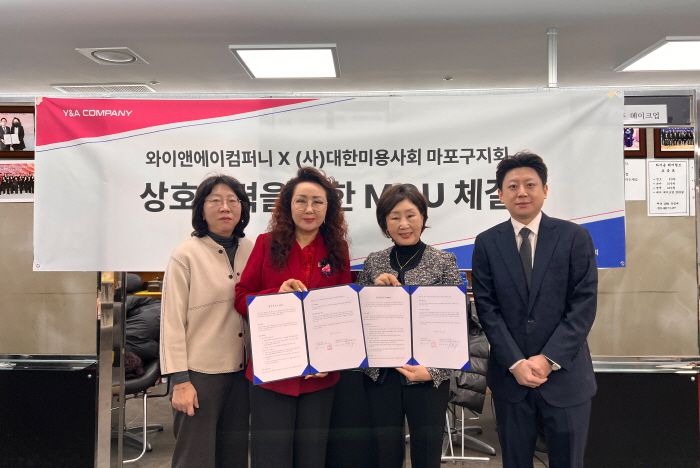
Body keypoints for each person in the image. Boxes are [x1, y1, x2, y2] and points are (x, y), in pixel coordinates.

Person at [471, 152, 598, 468]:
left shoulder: (574, 237)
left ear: (545, 190)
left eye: (530, 184)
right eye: (512, 186)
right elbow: (487, 308)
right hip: (511, 379)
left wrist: (547, 359)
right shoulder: (487, 243)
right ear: (500, 194)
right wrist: (516, 362)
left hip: (566, 376)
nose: (522, 192)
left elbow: (583, 305)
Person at [235, 166, 352, 468]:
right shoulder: (266, 243)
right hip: (273, 373)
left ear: (328, 208)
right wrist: (275, 294)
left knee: (312, 457)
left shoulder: (337, 249)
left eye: (317, 201)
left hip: (319, 376)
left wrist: (331, 359)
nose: (309, 209)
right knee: (270, 458)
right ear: (288, 205)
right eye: (301, 201)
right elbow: (241, 297)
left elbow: (344, 312)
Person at [356, 183, 462, 468]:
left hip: (427, 378)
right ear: (385, 223)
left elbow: (457, 327)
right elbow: (359, 320)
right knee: (384, 455)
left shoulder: (444, 262)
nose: (404, 224)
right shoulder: (374, 262)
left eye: (411, 215)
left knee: (427, 456)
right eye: (394, 217)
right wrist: (374, 291)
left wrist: (434, 371)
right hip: (381, 378)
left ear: (423, 217)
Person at [160, 174, 253, 468]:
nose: (225, 207)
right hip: (199, 375)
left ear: (242, 208)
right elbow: (171, 321)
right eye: (215, 201)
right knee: (194, 458)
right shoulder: (186, 254)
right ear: (201, 209)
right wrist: (180, 381)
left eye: (232, 200)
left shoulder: (252, 250)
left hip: (242, 375)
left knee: (234, 457)